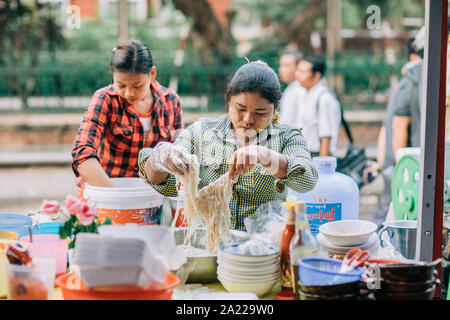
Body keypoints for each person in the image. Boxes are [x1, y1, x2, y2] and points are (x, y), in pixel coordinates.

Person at [138, 60, 318, 231]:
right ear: (228, 99)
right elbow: (159, 178)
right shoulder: (202, 132)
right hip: (206, 243)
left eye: (260, 112)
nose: (248, 119)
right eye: (240, 109)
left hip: (261, 249)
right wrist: (160, 159)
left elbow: (307, 180)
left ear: (275, 107)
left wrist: (264, 155)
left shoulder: (287, 137)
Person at [71, 39, 184, 192]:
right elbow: (82, 153)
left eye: (137, 86)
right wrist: (117, 194)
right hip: (104, 192)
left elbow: (179, 154)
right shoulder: (105, 100)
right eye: (121, 85)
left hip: (148, 198)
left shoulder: (171, 101)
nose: (129, 93)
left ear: (152, 74)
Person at [366, 30, 424, 227]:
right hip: (400, 164)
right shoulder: (413, 82)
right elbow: (398, 125)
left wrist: (382, 160)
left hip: (393, 162)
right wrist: (400, 165)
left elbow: (386, 125)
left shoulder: (406, 82)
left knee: (386, 215)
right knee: (388, 218)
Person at [294, 53, 341, 157]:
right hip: (303, 153)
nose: (298, 74)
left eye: (303, 72)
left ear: (317, 75)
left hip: (316, 155)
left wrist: (321, 167)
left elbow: (326, 136)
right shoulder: (304, 93)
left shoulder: (324, 98)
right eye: (298, 70)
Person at [278, 50, 305, 126]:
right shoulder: (290, 89)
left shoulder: (302, 90)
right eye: (281, 65)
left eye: (286, 66)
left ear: (298, 67)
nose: (281, 69)